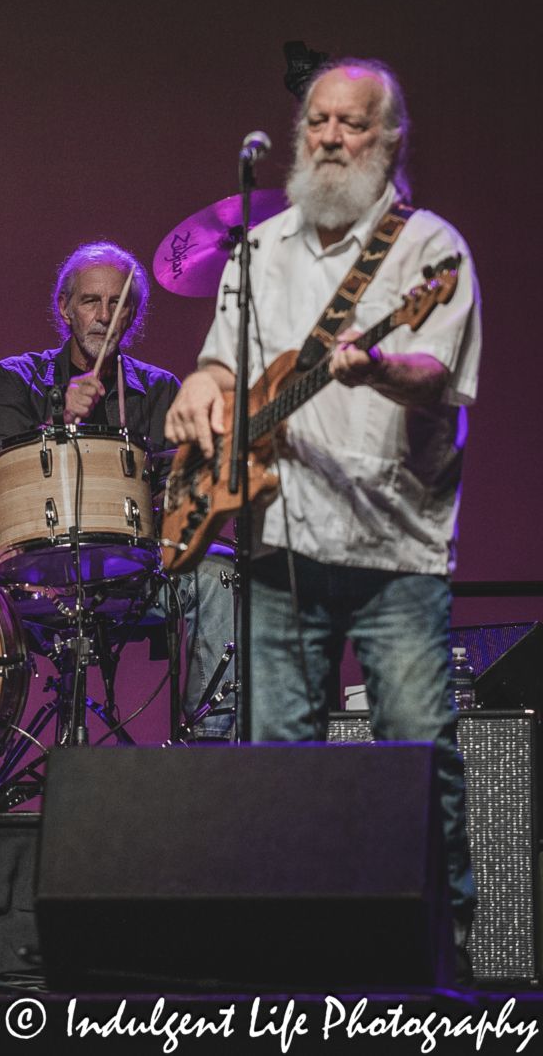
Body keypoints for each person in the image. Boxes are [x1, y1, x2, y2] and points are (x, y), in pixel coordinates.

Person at [164, 58, 482, 969]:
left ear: (390, 140)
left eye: (352, 123)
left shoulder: (430, 251)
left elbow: (437, 376)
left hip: (396, 550)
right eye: (318, 121)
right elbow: (226, 365)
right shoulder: (258, 253)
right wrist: (197, 384)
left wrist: (377, 365)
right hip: (279, 540)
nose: (330, 138)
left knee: (421, 760)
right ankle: (293, 962)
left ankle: (441, 954)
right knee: (277, 769)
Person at [0, 242, 236, 739]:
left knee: (219, 570)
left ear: (133, 314)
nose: (103, 315)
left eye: (118, 303)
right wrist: (58, 420)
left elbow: (181, 489)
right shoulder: (14, 378)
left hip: (127, 570)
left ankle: (213, 748)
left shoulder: (159, 390)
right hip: (26, 567)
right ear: (64, 307)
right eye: (91, 301)